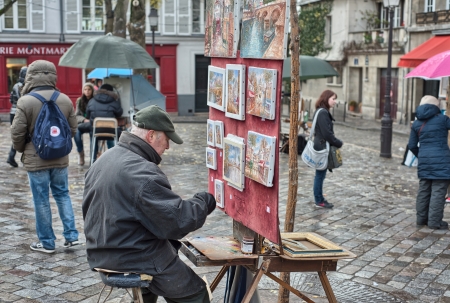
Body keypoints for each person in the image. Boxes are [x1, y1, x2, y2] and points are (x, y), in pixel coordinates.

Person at [83, 105, 216, 303]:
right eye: (167, 139)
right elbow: (177, 221)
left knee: (162, 259)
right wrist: (204, 201)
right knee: (196, 292)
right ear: (152, 135)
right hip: (133, 255)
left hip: (102, 252)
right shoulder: (141, 172)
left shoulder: (107, 158)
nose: (168, 147)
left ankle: (146, 293)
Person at [10, 60, 80, 253]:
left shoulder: (26, 101)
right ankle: (72, 236)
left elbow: (17, 133)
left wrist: (22, 149)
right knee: (63, 194)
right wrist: (58, 145)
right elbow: (73, 129)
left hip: (35, 157)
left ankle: (47, 242)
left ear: (31, 76)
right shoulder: (65, 99)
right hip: (60, 158)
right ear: (53, 75)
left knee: (41, 199)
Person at [408, 95, 450, 230]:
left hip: (424, 160)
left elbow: (412, 145)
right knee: (438, 191)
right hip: (442, 160)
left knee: (424, 190)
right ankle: (434, 222)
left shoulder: (416, 123)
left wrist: (422, 155)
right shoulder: (443, 120)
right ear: (436, 107)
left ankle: (421, 220)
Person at [312, 90, 343, 209]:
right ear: (326, 98)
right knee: (320, 175)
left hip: (320, 146)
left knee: (320, 174)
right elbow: (327, 134)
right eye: (333, 99)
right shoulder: (323, 113)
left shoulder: (321, 111)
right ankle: (319, 200)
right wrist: (338, 143)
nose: (335, 101)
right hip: (322, 147)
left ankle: (319, 198)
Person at [85, 83, 123, 162]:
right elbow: (119, 113)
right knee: (120, 132)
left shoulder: (92, 100)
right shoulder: (114, 101)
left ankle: (93, 160)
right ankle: (115, 159)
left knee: (92, 133)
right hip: (111, 131)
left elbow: (87, 115)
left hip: (96, 131)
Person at [7, 66, 27, 167]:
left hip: (13, 112)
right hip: (19, 113)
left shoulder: (16, 85)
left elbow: (11, 100)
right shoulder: (21, 86)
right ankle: (18, 158)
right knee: (24, 135)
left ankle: (13, 157)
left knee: (21, 135)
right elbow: (23, 100)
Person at [74, 82, 95, 166]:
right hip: (82, 123)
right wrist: (83, 120)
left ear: (92, 90)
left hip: (92, 123)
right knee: (76, 132)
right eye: (85, 89)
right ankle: (81, 153)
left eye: (89, 89)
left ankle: (93, 156)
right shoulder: (79, 100)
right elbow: (77, 115)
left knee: (92, 135)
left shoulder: (95, 100)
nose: (87, 91)